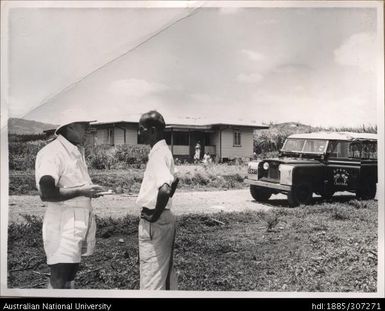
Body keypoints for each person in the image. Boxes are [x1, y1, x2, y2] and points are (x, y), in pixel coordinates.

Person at [35, 120, 105, 289]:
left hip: (77, 221)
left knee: (70, 275)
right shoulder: (52, 152)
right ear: (70, 127)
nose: (88, 130)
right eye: (84, 126)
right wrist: (82, 191)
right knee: (60, 275)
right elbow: (46, 193)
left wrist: (87, 191)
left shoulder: (74, 150)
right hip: (62, 223)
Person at [136, 110, 179, 290]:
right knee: (162, 274)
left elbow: (165, 188)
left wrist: (155, 215)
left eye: (141, 129)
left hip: (156, 222)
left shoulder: (158, 154)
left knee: (151, 277)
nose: (139, 133)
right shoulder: (163, 151)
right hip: (164, 220)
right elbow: (175, 179)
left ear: (152, 130)